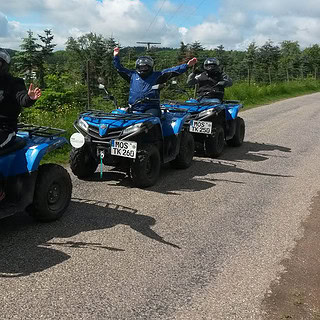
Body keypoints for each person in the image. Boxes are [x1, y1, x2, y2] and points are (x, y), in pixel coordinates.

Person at [0, 48, 42, 202]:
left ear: (3, 65)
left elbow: (22, 98)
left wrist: (29, 98)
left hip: (5, 129)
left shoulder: (13, 83)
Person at [113, 47, 197, 117]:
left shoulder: (158, 75)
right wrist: (116, 56)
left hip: (151, 108)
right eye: (141, 67)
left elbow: (172, 71)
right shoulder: (132, 75)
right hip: (134, 108)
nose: (143, 69)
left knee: (151, 122)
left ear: (150, 67)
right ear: (137, 67)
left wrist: (186, 66)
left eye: (145, 67)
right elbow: (120, 69)